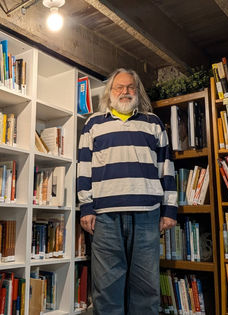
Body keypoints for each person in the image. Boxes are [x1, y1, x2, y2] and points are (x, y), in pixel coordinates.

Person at [76, 68, 177, 314]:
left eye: (130, 87)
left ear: (137, 91)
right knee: (107, 290)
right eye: (119, 87)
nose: (125, 92)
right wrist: (86, 207)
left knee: (146, 288)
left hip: (147, 215)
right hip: (105, 217)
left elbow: (167, 167)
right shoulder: (93, 124)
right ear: (109, 93)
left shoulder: (153, 123)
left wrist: (170, 210)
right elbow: (83, 169)